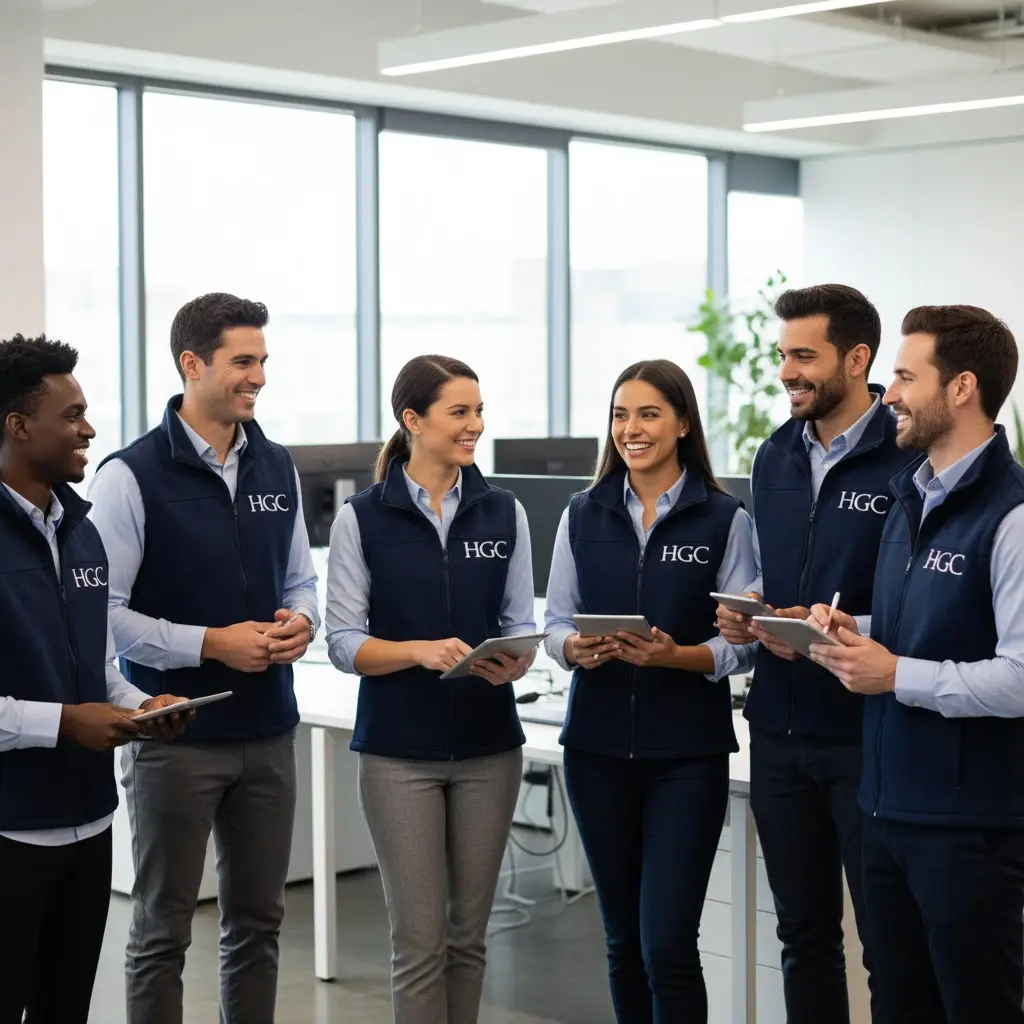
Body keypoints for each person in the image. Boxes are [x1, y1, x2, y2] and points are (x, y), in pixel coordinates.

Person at [86, 294, 321, 1024]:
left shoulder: (276, 465)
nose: (258, 378)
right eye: (243, 362)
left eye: (262, 362)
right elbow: (105, 614)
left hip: (270, 734)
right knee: (162, 929)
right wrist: (210, 643)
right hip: (175, 738)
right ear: (193, 364)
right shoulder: (128, 476)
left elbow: (300, 578)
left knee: (259, 924)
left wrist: (302, 621)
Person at [808, 305, 1024, 1024]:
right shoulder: (909, 498)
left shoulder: (1013, 516)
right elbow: (916, 629)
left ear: (961, 388)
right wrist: (851, 631)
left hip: (968, 831)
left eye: (904, 376)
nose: (888, 393)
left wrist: (895, 673)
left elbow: (1019, 676)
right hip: (885, 814)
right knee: (898, 1005)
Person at [716, 284, 917, 1023]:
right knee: (802, 933)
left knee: (888, 940)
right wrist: (753, 619)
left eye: (805, 357)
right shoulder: (773, 454)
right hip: (776, 731)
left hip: (865, 734)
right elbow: (777, 574)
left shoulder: (904, 458)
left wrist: (834, 626)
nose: (786, 372)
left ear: (857, 358)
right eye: (782, 356)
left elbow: (916, 603)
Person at [325, 354, 537, 1024]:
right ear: (412, 420)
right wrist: (418, 650)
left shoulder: (504, 512)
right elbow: (342, 643)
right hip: (398, 755)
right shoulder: (363, 518)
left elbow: (519, 626)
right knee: (418, 943)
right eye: (459, 412)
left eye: (478, 410)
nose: (475, 425)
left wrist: (515, 662)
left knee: (468, 939)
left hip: (489, 749)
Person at [543, 359, 757, 1023]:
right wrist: (574, 649)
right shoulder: (583, 513)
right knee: (621, 942)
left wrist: (680, 656)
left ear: (683, 422)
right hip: (596, 752)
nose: (630, 429)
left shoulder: (725, 518)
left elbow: (744, 642)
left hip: (686, 756)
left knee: (666, 943)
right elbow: (553, 623)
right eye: (620, 415)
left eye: (648, 414)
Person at [0, 335, 190, 1024]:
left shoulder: (81, 531)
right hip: (10, 833)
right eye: (72, 414)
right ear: (19, 427)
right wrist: (63, 723)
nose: (90, 428)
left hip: (89, 827)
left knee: (65, 1011)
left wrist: (143, 704)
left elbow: (98, 664)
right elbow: (65, 707)